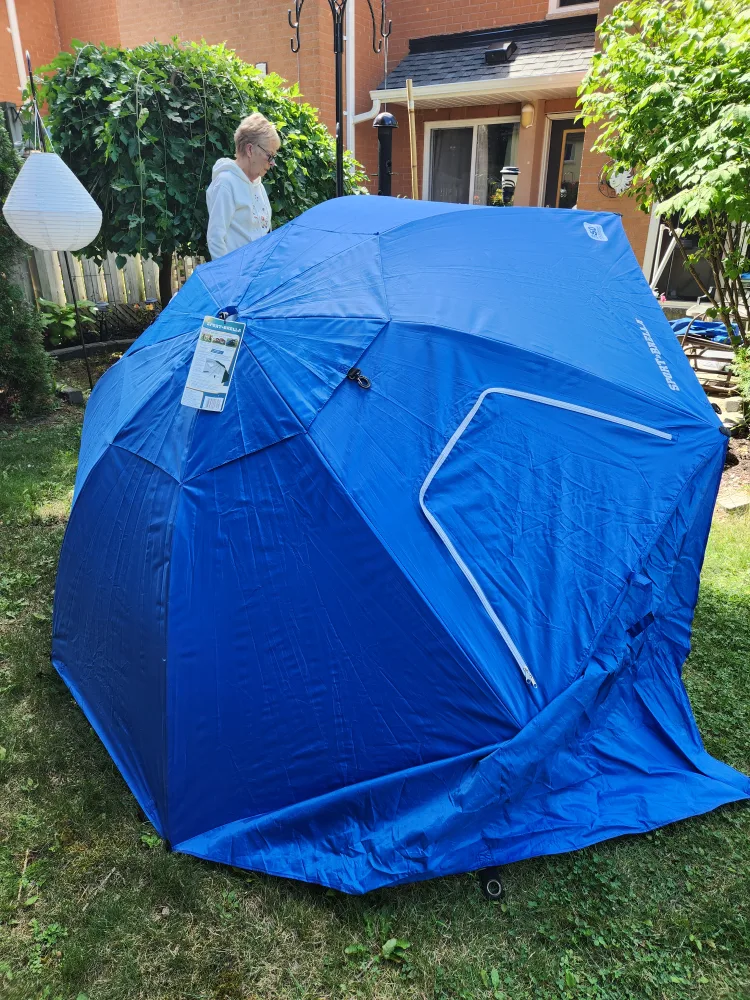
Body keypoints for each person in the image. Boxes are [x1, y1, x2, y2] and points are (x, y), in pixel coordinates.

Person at [206, 113, 280, 260]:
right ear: (250, 150)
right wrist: (229, 281)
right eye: (269, 155)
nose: (272, 163)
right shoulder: (225, 183)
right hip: (236, 278)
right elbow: (215, 238)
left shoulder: (258, 185)